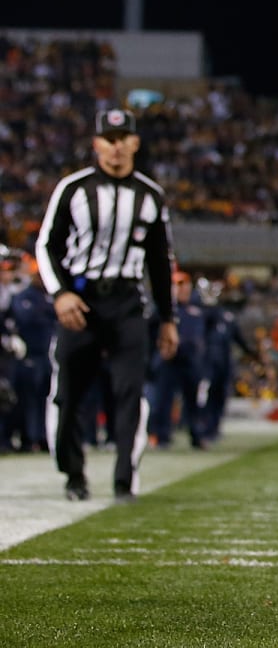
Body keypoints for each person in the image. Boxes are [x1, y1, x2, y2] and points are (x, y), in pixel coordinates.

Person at [35, 107, 179, 502]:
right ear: (97, 143)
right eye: (109, 140)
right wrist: (61, 293)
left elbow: (160, 262)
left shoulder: (150, 195)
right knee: (68, 392)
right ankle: (73, 475)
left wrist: (168, 318)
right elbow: (46, 245)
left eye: (123, 139)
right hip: (80, 301)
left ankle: (124, 480)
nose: (116, 147)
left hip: (127, 301)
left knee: (130, 391)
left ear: (135, 143)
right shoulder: (73, 189)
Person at [2, 250, 57, 454]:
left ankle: (35, 437)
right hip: (23, 354)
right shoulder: (21, 295)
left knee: (35, 397)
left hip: (37, 353)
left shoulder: (34, 294)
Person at [147, 271, 208, 450]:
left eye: (185, 285)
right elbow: (149, 333)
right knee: (162, 400)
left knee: (194, 401)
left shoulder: (197, 309)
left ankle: (197, 435)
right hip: (168, 360)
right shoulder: (162, 311)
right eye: (178, 285)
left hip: (191, 361)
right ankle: (161, 435)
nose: (183, 289)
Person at [198, 277, 260, 444]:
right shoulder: (203, 313)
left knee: (220, 396)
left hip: (224, 362)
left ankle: (214, 428)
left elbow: (239, 339)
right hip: (206, 362)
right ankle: (202, 429)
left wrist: (252, 353)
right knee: (205, 396)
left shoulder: (227, 316)